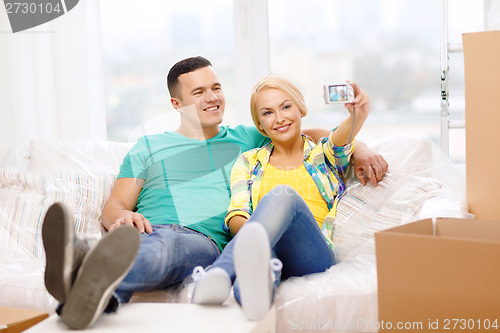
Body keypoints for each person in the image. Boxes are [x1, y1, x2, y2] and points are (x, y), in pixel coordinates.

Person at [41, 56, 388, 329]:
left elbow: (299, 130)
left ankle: (85, 264)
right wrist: (122, 216)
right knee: (154, 244)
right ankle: (89, 294)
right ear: (177, 105)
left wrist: (361, 148)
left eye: (216, 87)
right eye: (199, 92)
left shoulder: (245, 140)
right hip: (148, 231)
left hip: (201, 240)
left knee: (165, 247)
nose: (213, 98)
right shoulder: (148, 147)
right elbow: (114, 205)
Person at [191, 75, 370, 320]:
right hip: (265, 249)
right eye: (268, 113)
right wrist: (259, 245)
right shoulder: (248, 162)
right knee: (258, 259)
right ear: (261, 125)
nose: (279, 118)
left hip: (311, 252)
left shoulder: (321, 155)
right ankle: (253, 295)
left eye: (286, 107)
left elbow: (340, 142)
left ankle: (221, 271)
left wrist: (356, 116)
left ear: (300, 109)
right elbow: (237, 214)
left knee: (284, 195)